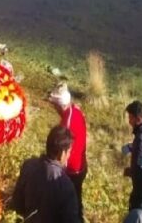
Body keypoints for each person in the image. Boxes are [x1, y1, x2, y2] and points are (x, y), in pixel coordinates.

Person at [10, 125, 81, 223]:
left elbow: (17, 203)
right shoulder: (66, 186)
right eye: (69, 151)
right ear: (62, 153)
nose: (69, 156)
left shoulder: (28, 165)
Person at [48, 82, 87, 219]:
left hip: (72, 169)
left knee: (69, 201)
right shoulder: (76, 111)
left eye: (54, 105)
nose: (53, 108)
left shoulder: (67, 123)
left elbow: (62, 153)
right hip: (81, 164)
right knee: (76, 198)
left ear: (60, 105)